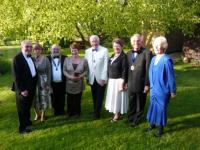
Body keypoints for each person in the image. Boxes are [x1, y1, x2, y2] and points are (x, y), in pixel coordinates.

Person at [146, 36, 176, 137]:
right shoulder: (153, 58)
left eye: (160, 46)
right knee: (153, 106)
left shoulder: (167, 60)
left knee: (161, 108)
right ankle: (152, 124)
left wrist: (172, 90)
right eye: (156, 46)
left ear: (164, 46)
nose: (158, 48)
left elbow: (171, 76)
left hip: (163, 89)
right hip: (154, 88)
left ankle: (160, 129)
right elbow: (150, 72)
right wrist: (150, 85)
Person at [127, 34, 152, 127]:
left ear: (141, 42)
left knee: (140, 103)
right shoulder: (128, 53)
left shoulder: (147, 52)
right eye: (134, 41)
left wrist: (147, 84)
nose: (136, 43)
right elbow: (127, 69)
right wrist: (126, 82)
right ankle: (130, 117)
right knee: (132, 101)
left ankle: (137, 119)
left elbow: (148, 70)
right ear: (131, 42)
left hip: (141, 83)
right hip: (130, 82)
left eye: (138, 41)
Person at [12, 40, 37, 134]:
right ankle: (22, 128)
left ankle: (27, 122)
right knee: (22, 109)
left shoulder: (30, 57)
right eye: (27, 46)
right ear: (22, 47)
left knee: (27, 106)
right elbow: (16, 76)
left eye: (30, 46)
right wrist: (22, 90)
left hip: (31, 87)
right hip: (23, 89)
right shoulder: (17, 58)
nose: (29, 48)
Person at [85, 35, 109, 119]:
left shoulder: (104, 50)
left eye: (96, 41)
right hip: (91, 77)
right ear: (90, 42)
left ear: (98, 41)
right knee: (94, 95)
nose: (94, 43)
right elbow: (86, 65)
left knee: (100, 95)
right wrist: (87, 77)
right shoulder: (87, 51)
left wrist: (103, 78)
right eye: (92, 41)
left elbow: (106, 65)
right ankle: (96, 109)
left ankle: (97, 113)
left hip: (101, 78)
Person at [105, 38, 129, 122]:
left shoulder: (123, 56)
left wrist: (123, 82)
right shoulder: (112, 56)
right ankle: (114, 112)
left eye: (118, 46)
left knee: (117, 98)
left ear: (121, 46)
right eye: (114, 46)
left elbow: (124, 70)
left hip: (119, 80)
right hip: (112, 80)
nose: (116, 48)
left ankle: (117, 115)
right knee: (113, 97)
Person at [63, 42, 88, 117]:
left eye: (76, 49)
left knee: (77, 98)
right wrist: (70, 77)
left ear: (78, 50)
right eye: (72, 49)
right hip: (69, 82)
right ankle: (70, 112)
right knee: (69, 98)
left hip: (79, 82)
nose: (74, 51)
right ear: (70, 50)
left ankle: (77, 112)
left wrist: (80, 76)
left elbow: (86, 70)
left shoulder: (83, 60)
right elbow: (64, 70)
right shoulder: (67, 59)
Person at [33, 43, 51, 122]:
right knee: (34, 98)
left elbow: (49, 72)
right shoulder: (31, 59)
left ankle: (43, 114)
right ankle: (37, 113)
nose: (37, 51)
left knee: (43, 98)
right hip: (33, 81)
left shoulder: (46, 59)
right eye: (36, 49)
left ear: (41, 50)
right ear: (33, 50)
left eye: (39, 49)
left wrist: (48, 84)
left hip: (43, 81)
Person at [47, 44, 66, 116]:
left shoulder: (65, 58)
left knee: (62, 96)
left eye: (57, 49)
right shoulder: (47, 58)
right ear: (51, 50)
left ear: (60, 50)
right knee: (53, 97)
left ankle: (62, 110)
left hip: (62, 81)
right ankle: (56, 111)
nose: (55, 50)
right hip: (52, 82)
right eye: (54, 49)